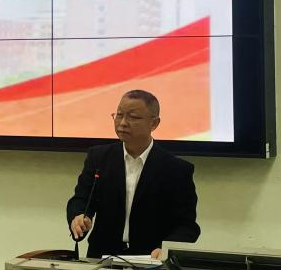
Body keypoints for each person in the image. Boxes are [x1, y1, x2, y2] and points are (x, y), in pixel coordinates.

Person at [67, 89, 199, 259]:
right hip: (102, 257)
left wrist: (167, 249)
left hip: (151, 260)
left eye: (133, 117)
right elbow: (81, 200)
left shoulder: (176, 169)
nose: (122, 123)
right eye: (119, 115)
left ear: (154, 123)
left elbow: (186, 226)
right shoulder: (98, 158)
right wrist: (79, 216)